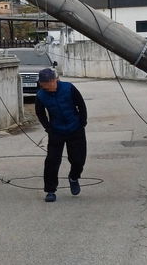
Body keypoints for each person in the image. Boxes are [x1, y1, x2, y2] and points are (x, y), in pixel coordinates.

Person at [35, 68, 87, 202]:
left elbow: (81, 105)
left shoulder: (69, 88)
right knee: (52, 161)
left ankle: (74, 177)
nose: (47, 87)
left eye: (48, 84)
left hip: (75, 128)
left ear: (55, 80)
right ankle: (50, 190)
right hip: (56, 131)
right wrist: (48, 128)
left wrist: (82, 122)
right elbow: (40, 113)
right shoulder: (41, 95)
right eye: (43, 85)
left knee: (78, 160)